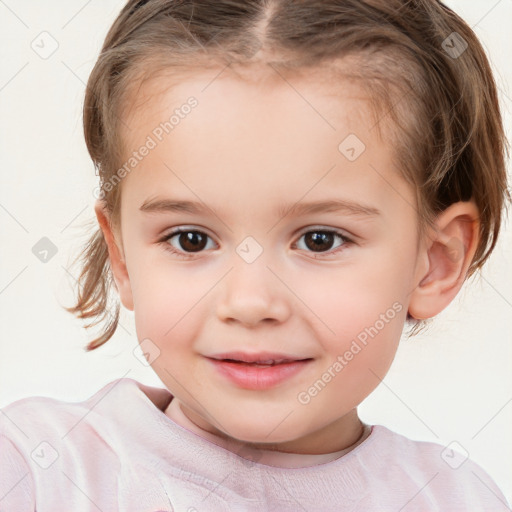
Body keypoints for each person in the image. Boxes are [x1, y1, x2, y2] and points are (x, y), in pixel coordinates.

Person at [1, 0, 510, 510]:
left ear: (436, 263)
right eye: (190, 239)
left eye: (320, 240)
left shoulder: (455, 498)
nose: (249, 302)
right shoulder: (36, 470)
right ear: (124, 258)